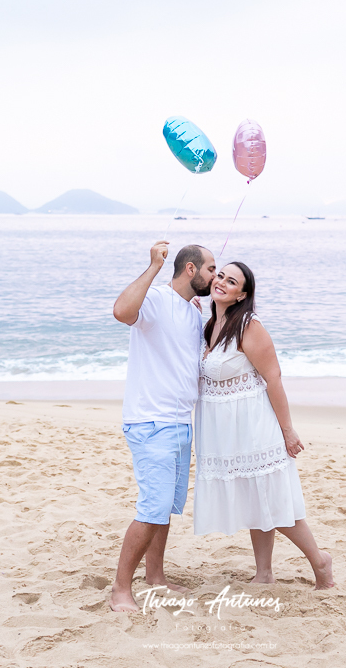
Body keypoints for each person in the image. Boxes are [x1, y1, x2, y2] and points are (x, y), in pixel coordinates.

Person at [194, 261, 334, 589]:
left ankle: (319, 560)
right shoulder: (211, 323)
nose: (222, 283)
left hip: (254, 427)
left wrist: (288, 431)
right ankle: (264, 573)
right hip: (226, 432)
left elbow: (273, 379)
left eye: (232, 281)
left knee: (271, 500)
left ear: (242, 293)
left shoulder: (248, 325)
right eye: (221, 276)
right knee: (256, 500)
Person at [109, 240, 216, 612]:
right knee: (152, 506)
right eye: (211, 269)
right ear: (191, 269)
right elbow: (122, 311)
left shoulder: (192, 311)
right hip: (151, 420)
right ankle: (121, 589)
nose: (214, 276)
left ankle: (155, 576)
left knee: (165, 507)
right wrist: (154, 266)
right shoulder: (154, 298)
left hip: (179, 422)